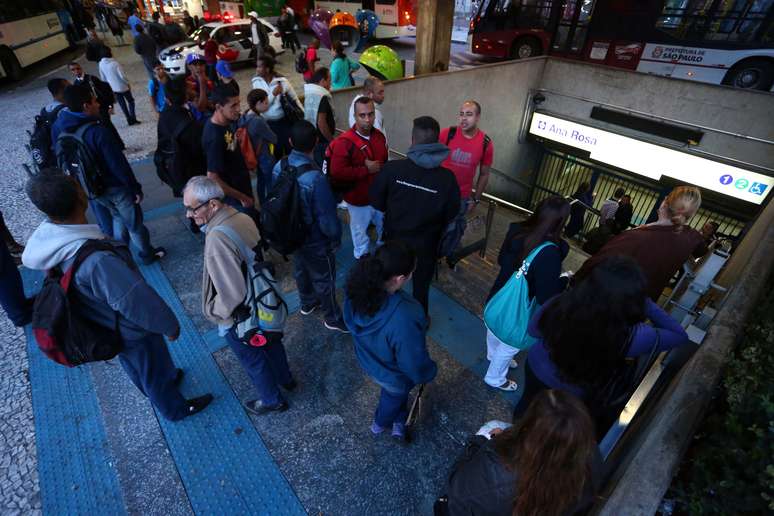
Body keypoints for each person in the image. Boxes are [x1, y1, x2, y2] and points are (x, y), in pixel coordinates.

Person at [23, 171, 213, 421]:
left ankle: (162, 382)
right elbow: (134, 300)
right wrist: (169, 324)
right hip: (132, 329)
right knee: (150, 367)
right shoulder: (97, 260)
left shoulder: (52, 244)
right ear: (81, 197)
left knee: (137, 366)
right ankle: (174, 408)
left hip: (105, 325)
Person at [515, 256, 690, 420]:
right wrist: (647, 304)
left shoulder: (564, 301)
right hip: (573, 390)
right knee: (548, 424)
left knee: (526, 405)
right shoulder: (635, 335)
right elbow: (679, 335)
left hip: (537, 366)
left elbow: (534, 331)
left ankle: (516, 428)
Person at [183, 175, 295, 415]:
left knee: (253, 358)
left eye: (192, 209)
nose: (189, 215)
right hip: (264, 298)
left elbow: (232, 292)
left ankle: (271, 400)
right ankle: (286, 379)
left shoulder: (216, 237)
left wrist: (214, 312)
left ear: (212, 204)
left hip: (243, 313)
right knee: (272, 342)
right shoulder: (242, 216)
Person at [53, 84, 165, 264]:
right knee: (134, 225)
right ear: (85, 106)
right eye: (94, 101)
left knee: (116, 217)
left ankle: (120, 256)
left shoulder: (62, 128)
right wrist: (134, 188)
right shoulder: (97, 132)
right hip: (116, 187)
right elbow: (117, 165)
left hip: (92, 189)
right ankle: (147, 254)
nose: (98, 104)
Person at [443, 390, 602, 516]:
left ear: (527, 426)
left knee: (492, 426)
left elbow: (456, 490)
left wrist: (480, 442)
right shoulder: (593, 459)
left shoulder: (492, 468)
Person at [343, 241, 437, 442]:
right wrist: (428, 372)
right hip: (393, 374)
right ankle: (380, 423)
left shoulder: (357, 288)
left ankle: (399, 421)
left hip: (369, 360)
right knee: (393, 397)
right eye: (411, 272)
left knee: (396, 396)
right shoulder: (405, 315)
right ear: (400, 278)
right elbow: (412, 362)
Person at [369, 116, 460, 314]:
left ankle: (383, 315)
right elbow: (451, 216)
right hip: (426, 247)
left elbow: (376, 203)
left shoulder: (392, 170)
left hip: (394, 243)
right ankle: (420, 320)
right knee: (421, 288)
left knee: (388, 282)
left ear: (412, 140)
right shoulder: (447, 180)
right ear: (437, 143)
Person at [484, 196, 571, 391]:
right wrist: (564, 280)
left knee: (494, 327)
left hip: (498, 295)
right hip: (519, 310)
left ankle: (492, 355)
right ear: (561, 222)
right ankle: (495, 377)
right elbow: (545, 296)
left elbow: (501, 260)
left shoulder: (516, 229)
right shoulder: (551, 252)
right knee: (509, 344)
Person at [272, 121, 346, 333]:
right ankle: (332, 317)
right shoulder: (316, 178)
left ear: (289, 142)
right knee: (324, 277)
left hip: (290, 233)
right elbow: (327, 220)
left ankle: (307, 302)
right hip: (314, 238)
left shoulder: (280, 166)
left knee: (300, 268)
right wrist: (335, 239)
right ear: (315, 142)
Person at [575, 186, 706, 301]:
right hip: (641, 308)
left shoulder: (634, 237)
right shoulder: (690, 238)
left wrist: (574, 281)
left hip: (611, 302)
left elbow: (593, 265)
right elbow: (701, 249)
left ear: (665, 202)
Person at [329, 96, 389, 260]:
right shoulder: (344, 142)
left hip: (378, 197)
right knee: (360, 235)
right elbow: (337, 172)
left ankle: (382, 255)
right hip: (358, 200)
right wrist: (365, 169)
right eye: (362, 115)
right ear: (354, 116)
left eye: (370, 114)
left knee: (384, 229)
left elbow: (384, 163)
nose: (367, 119)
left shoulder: (379, 137)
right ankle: (363, 261)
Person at [439, 101, 494, 252]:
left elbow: (484, 174)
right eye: (461, 114)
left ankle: (441, 256)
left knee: (451, 231)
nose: (463, 118)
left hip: (461, 197)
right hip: (439, 192)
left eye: (469, 114)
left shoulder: (485, 143)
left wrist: (476, 198)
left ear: (477, 117)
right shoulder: (447, 133)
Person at [201, 84, 257, 224]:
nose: (238, 109)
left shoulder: (227, 122)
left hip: (242, 186)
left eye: (238, 103)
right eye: (233, 106)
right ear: (219, 107)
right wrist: (242, 197)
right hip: (235, 200)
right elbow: (213, 177)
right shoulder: (214, 136)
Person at [251, 54, 303, 159]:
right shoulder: (256, 83)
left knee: (290, 149)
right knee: (275, 153)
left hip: (284, 123)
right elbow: (262, 106)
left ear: (267, 69)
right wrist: (273, 94)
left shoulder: (282, 81)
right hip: (268, 124)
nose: (257, 70)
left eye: (259, 66)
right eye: (257, 66)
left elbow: (294, 99)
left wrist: (303, 114)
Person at [68, 61, 124, 150]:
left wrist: (110, 106)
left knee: (108, 126)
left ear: (81, 68)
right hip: (91, 110)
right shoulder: (76, 84)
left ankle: (119, 145)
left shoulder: (91, 79)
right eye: (73, 70)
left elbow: (105, 91)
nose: (76, 71)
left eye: (77, 68)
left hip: (101, 107)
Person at [238, 88, 277, 203]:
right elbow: (274, 138)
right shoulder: (258, 121)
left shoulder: (244, 117)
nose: (267, 105)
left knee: (261, 182)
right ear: (258, 103)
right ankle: (272, 207)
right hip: (265, 157)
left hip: (253, 156)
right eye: (265, 102)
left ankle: (262, 204)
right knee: (270, 183)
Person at [98, 47, 140, 126]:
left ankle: (128, 119)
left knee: (122, 104)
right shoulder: (115, 63)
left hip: (113, 88)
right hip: (122, 86)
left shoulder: (100, 64)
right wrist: (127, 83)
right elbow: (122, 76)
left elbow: (103, 78)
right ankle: (133, 118)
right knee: (131, 101)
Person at [303, 67, 334, 167]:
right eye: (329, 80)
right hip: (322, 142)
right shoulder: (321, 97)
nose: (331, 83)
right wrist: (332, 141)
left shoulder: (310, 94)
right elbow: (321, 123)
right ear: (322, 81)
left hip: (313, 139)